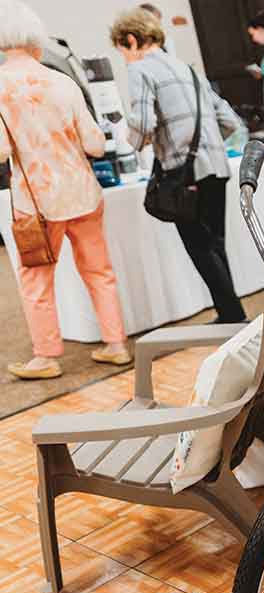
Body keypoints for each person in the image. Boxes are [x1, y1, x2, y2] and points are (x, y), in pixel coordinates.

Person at [0, 0, 130, 380]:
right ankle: (116, 345)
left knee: (37, 281)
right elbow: (95, 145)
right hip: (83, 193)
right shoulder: (62, 81)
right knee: (99, 271)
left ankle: (46, 356)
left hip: (37, 203)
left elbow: (1, 151)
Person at [111, 8, 248, 324]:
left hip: (183, 172)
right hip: (216, 165)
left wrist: (130, 143)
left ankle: (234, 315)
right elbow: (229, 120)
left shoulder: (139, 70)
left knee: (200, 247)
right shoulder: (186, 68)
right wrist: (206, 143)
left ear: (131, 40)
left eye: (122, 50)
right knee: (215, 244)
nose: (124, 58)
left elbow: (143, 124)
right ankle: (230, 314)